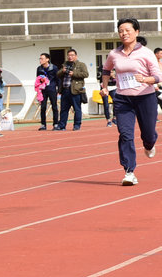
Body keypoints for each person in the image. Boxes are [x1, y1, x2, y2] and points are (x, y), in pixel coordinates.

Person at [101, 18, 162, 185]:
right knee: (125, 134)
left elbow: (158, 76)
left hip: (145, 97)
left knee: (148, 134)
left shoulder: (146, 53)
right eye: (121, 31)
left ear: (136, 32)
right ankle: (129, 172)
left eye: (127, 30)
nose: (124, 33)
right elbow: (106, 70)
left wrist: (146, 79)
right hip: (123, 99)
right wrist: (104, 86)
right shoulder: (114, 54)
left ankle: (149, 144)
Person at [56, 49, 89, 131]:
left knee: (77, 109)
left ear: (76, 56)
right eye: (69, 55)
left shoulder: (81, 65)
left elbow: (86, 74)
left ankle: (77, 125)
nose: (70, 57)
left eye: (72, 55)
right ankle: (62, 125)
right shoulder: (65, 64)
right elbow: (58, 74)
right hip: (65, 90)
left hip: (76, 90)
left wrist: (74, 74)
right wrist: (63, 71)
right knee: (64, 109)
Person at [35, 53, 59, 130]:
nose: (40, 60)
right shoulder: (39, 69)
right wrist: (39, 89)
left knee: (54, 106)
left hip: (52, 89)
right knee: (43, 107)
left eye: (42, 58)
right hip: (43, 90)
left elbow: (58, 79)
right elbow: (37, 79)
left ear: (47, 59)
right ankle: (43, 124)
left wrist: (59, 89)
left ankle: (55, 124)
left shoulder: (54, 68)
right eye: (40, 58)